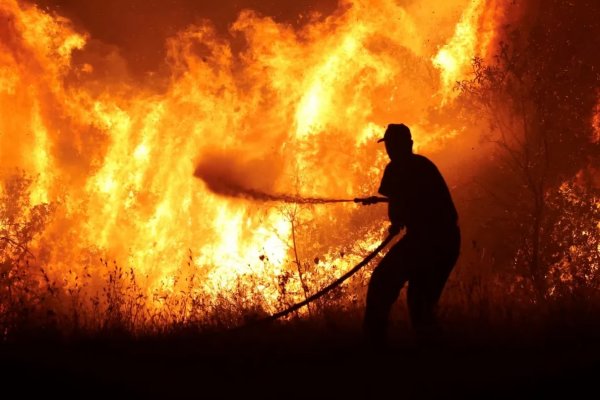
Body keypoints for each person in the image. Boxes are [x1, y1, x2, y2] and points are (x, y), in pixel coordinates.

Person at [361, 123, 460, 347]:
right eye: (389, 145)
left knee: (381, 283)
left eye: (392, 145)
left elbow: (397, 214)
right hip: (447, 241)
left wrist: (395, 223)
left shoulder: (396, 168)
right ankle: (432, 354)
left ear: (407, 145)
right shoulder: (424, 165)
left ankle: (371, 346)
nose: (390, 150)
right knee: (420, 303)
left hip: (427, 241)